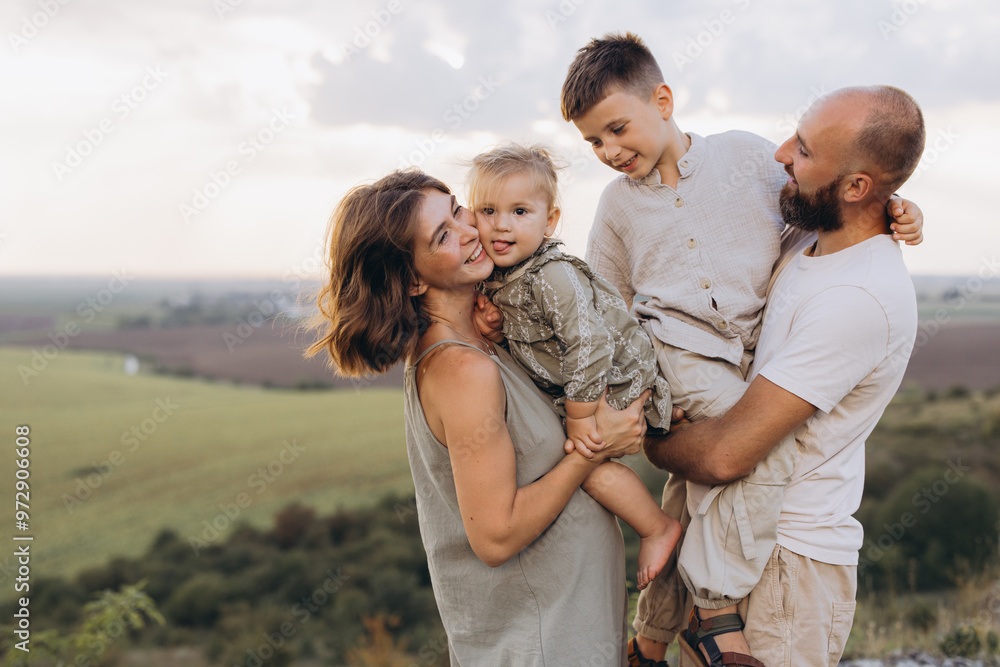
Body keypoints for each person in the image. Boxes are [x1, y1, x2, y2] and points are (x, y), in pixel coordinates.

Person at [559, 33, 924, 666]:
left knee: (714, 473)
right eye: (595, 141)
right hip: (715, 491)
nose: (781, 156)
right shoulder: (804, 245)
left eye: (802, 149)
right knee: (691, 493)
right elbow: (605, 299)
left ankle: (697, 617)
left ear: (663, 101)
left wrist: (653, 440)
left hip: (788, 559)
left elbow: (725, 455)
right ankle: (665, 631)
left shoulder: (857, 291)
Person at [306, 169, 649, 666]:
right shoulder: (462, 370)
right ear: (413, 279)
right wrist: (592, 448)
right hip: (540, 645)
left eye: (457, 210)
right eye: (442, 236)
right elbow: (495, 536)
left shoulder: (487, 337)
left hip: (570, 629)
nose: (469, 230)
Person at [468, 142, 681, 591]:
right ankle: (655, 526)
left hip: (613, 377)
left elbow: (591, 342)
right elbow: (534, 343)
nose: (501, 224)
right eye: (488, 211)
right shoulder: (501, 277)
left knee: (584, 463)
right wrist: (498, 332)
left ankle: (656, 527)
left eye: (519, 211)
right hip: (579, 386)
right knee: (583, 470)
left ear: (549, 221)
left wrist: (581, 416)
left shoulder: (552, 275)